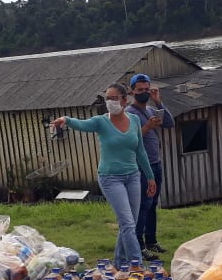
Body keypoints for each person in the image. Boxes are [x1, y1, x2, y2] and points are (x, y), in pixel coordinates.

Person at [51, 83, 157, 268]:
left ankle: (118, 265)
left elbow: (140, 151)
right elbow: (82, 124)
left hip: (132, 176)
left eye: (114, 98)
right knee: (128, 224)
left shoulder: (134, 120)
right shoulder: (101, 121)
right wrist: (66, 120)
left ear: (125, 100)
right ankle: (137, 267)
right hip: (110, 178)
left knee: (128, 225)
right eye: (108, 98)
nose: (110, 102)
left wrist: (150, 177)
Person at [125, 73, 175, 260]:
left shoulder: (152, 110)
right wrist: (147, 127)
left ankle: (152, 240)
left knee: (153, 204)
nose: (144, 93)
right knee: (143, 206)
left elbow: (170, 123)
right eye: (140, 90)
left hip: (156, 163)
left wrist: (159, 103)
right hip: (140, 166)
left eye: (147, 90)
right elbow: (130, 139)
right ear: (132, 91)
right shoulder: (130, 113)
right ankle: (139, 245)